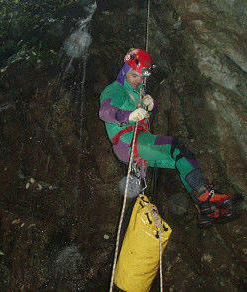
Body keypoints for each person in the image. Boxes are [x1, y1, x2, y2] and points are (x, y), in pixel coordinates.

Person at [99, 48, 243, 228]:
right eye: (135, 76)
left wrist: (152, 106)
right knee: (177, 145)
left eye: (142, 78)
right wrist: (128, 116)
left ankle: (205, 210)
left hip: (140, 142)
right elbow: (105, 112)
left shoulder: (138, 91)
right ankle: (205, 194)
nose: (139, 81)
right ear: (124, 71)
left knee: (183, 159)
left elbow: (149, 108)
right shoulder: (114, 90)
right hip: (128, 141)